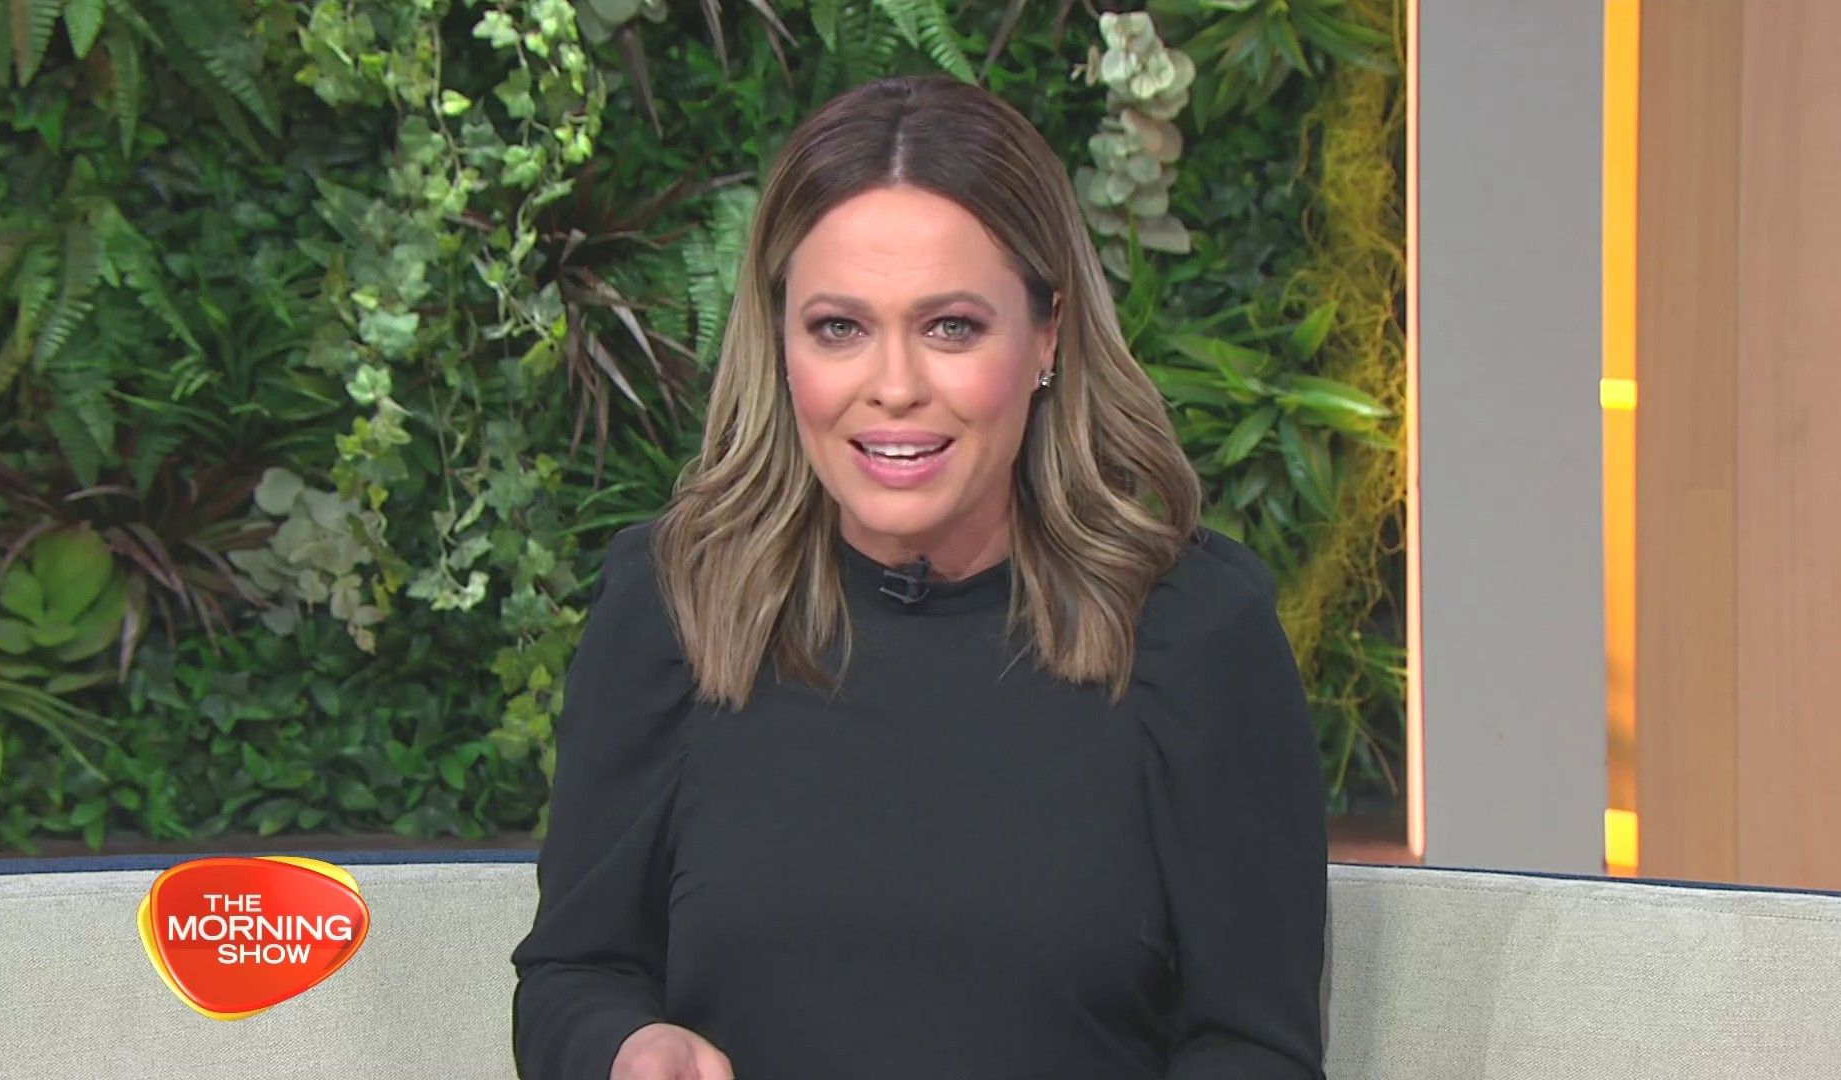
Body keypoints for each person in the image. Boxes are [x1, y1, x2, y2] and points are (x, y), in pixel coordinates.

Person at [511, 73, 1328, 1080]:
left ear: (1048, 334)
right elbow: (575, 973)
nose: (893, 387)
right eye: (839, 328)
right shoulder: (673, 600)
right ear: (780, 339)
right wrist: (628, 1049)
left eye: (951, 327)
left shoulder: (1198, 631)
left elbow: (1254, 1047)